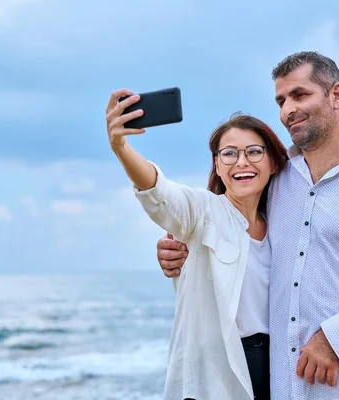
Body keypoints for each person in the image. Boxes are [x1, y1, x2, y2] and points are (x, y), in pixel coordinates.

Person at [155, 51, 339, 400]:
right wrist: (183, 249)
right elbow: (237, 230)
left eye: (299, 95)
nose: (287, 110)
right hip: (291, 390)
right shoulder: (276, 180)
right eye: (281, 100)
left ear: (336, 95)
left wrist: (338, 338)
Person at [105, 90, 290, 400]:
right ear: (217, 166)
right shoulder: (203, 212)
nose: (241, 161)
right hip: (215, 371)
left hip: (277, 369)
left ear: (273, 163)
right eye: (228, 153)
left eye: (254, 151)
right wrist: (121, 147)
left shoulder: (285, 227)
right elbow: (159, 193)